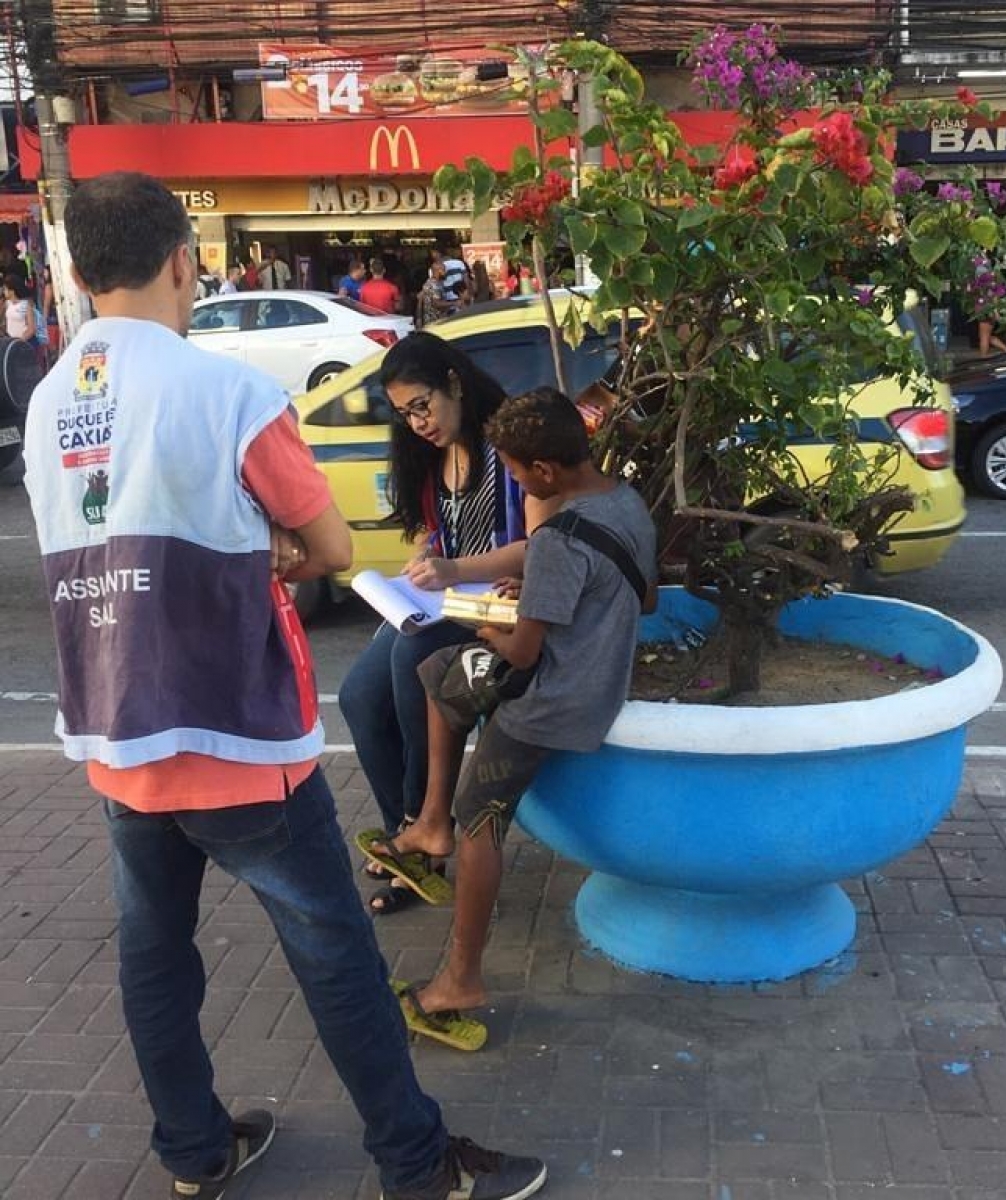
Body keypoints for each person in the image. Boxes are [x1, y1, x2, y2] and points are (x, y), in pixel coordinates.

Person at [21, 172, 546, 1200]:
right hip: (237, 736)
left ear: (78, 274)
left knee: (155, 957)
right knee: (335, 952)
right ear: (185, 262)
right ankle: (416, 1165)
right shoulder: (227, 394)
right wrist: (270, 543)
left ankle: (194, 1154)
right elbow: (333, 546)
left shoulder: (45, 404)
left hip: (119, 736)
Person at [386, 387, 657, 1031]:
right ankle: (429, 824)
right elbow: (642, 597)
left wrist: (487, 622)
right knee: (438, 674)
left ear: (544, 471)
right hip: (594, 673)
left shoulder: (558, 538)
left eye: (512, 472)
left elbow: (522, 652)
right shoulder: (624, 501)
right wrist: (537, 591)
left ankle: (461, 979)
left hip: (553, 697)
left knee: (480, 815)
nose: (513, 483)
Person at [339, 332, 556, 914]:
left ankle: (425, 830)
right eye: (405, 413)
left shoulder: (507, 444)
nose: (417, 423)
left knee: (412, 660)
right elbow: (441, 535)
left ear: (454, 384)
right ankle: (408, 840)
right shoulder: (431, 456)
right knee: (358, 698)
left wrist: (454, 568)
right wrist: (426, 561)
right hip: (443, 601)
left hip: (497, 604)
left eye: (422, 405)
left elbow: (538, 547)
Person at [3, 272, 36, 342]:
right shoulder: (7, 304)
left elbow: (31, 329)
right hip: (10, 341)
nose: (4, 291)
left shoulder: (26, 305)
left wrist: (20, 341)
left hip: (24, 342)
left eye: (5, 289)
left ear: (12, 291)